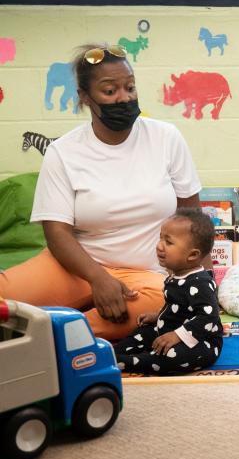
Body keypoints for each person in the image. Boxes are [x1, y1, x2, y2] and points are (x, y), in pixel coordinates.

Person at [0, 43, 204, 340]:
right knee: (6, 298)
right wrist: (98, 278)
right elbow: (57, 233)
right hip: (75, 268)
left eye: (130, 87)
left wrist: (202, 282)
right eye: (110, 91)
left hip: (147, 276)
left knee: (169, 304)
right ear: (85, 97)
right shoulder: (63, 152)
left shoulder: (166, 138)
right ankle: (64, 327)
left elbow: (192, 217)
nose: (124, 97)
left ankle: (58, 336)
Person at [113, 208, 223, 375]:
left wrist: (177, 336)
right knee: (140, 334)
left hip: (200, 341)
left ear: (192, 255)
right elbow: (176, 305)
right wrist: (158, 315)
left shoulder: (200, 282)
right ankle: (114, 354)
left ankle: (132, 362)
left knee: (173, 357)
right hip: (169, 328)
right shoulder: (175, 275)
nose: (159, 246)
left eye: (168, 242)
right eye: (160, 239)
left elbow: (208, 317)